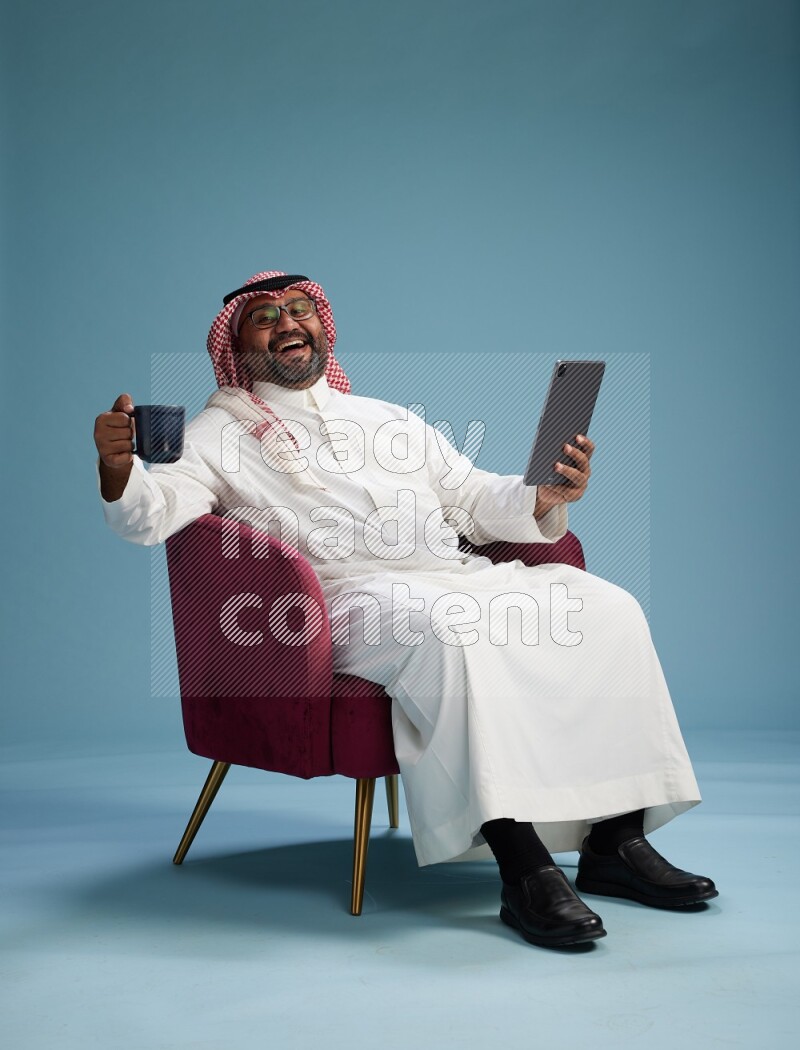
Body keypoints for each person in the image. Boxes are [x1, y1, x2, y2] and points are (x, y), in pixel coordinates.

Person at [95, 271, 717, 949]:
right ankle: (523, 867)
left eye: (299, 310)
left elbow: (473, 498)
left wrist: (542, 494)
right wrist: (118, 470)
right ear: (237, 345)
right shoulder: (213, 435)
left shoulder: (388, 419)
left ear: (323, 325)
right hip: (340, 601)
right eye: (265, 318)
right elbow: (152, 516)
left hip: (453, 574)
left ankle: (616, 841)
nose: (288, 324)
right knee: (452, 632)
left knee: (607, 609)